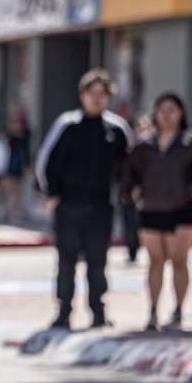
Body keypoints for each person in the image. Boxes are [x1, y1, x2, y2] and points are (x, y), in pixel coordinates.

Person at [35, 68, 131, 330]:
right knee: (66, 262)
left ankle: (98, 313)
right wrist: (50, 194)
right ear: (82, 95)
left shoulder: (117, 129)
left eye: (103, 94)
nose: (97, 99)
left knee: (98, 261)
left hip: (101, 206)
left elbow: (128, 168)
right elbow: (46, 161)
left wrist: (128, 195)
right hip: (68, 205)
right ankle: (63, 312)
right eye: (93, 93)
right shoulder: (68, 125)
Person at [124, 93, 192, 331]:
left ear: (181, 113)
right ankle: (153, 311)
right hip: (152, 209)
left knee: (179, 261)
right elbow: (128, 174)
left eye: (172, 110)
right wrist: (133, 191)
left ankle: (178, 311)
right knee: (155, 262)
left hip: (183, 211)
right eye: (161, 109)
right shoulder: (144, 145)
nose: (166, 115)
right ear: (155, 113)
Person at [120, 113, 155, 264]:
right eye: (139, 126)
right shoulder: (130, 147)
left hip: (150, 194)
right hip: (130, 193)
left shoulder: (155, 148)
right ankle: (132, 251)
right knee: (130, 223)